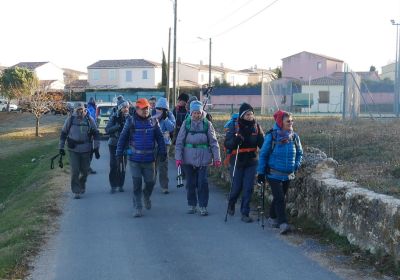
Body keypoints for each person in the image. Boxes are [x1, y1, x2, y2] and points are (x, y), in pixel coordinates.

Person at [116, 98, 167, 218]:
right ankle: (137, 207)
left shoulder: (154, 122)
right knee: (137, 183)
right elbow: (122, 138)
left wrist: (163, 152)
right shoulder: (130, 121)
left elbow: (160, 138)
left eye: (147, 108)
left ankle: (146, 195)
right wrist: (118, 153)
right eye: (143, 108)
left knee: (150, 183)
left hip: (150, 159)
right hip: (134, 159)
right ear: (137, 109)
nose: (145, 111)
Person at [257, 110, 303, 234]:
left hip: (288, 174)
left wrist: (296, 165)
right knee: (280, 198)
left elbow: (300, 153)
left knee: (279, 197)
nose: (291, 123)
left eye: (292, 121)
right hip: (273, 173)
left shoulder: (294, 136)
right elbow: (263, 154)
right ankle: (283, 223)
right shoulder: (271, 136)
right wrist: (261, 173)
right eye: (288, 121)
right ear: (280, 122)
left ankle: (272, 217)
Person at [175, 100, 221, 216]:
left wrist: (217, 158)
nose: (196, 115)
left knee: (202, 182)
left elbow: (214, 142)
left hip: (203, 158)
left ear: (202, 112)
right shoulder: (186, 123)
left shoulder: (207, 124)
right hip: (187, 158)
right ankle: (192, 204)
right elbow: (179, 141)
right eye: (194, 113)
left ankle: (203, 206)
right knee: (190, 182)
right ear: (191, 112)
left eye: (198, 113)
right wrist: (178, 158)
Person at [224, 103, 264, 223]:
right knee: (236, 187)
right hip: (237, 160)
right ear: (242, 115)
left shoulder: (256, 127)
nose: (250, 116)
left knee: (248, 188)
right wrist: (236, 140)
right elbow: (227, 144)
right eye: (247, 114)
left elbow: (262, 144)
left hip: (252, 160)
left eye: (251, 114)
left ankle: (245, 213)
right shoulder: (235, 127)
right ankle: (231, 202)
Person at [59, 102, 100, 199]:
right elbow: (63, 133)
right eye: (77, 110)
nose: (79, 112)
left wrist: (96, 148)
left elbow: (96, 134)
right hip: (73, 149)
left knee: (85, 171)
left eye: (81, 110)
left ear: (84, 110)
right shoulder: (70, 119)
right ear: (74, 110)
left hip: (86, 149)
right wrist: (61, 147)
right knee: (75, 170)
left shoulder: (89, 120)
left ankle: (82, 184)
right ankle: (76, 190)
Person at [105, 97, 130, 194]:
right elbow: (107, 130)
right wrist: (118, 126)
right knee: (114, 165)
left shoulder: (130, 118)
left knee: (123, 166)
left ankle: (121, 185)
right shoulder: (114, 117)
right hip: (114, 144)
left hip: (125, 145)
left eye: (127, 107)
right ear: (120, 108)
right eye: (124, 107)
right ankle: (113, 185)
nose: (126, 109)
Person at [152, 97, 176, 194]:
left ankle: (164, 186)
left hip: (165, 143)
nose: (159, 110)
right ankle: (151, 184)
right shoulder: (152, 114)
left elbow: (171, 128)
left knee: (163, 165)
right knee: (152, 165)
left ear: (165, 110)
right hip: (153, 143)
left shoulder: (169, 115)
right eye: (158, 108)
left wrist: (166, 119)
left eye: (162, 109)